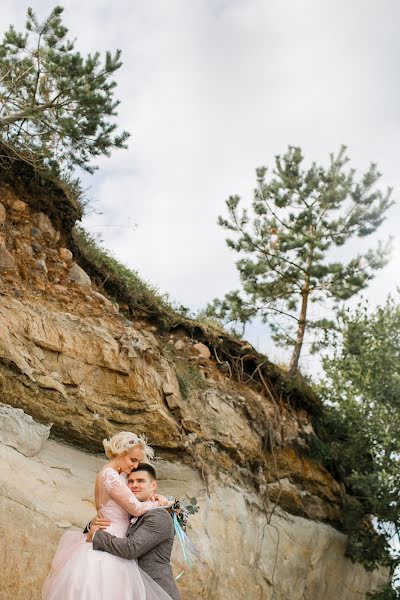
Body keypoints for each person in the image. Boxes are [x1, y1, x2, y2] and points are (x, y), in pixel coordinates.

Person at [42, 432, 174, 600]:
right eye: (133, 460)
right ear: (120, 453)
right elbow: (135, 508)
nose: (135, 466)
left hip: (108, 536)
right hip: (111, 542)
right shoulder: (110, 475)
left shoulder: (116, 475)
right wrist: (162, 503)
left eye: (139, 461)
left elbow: (126, 499)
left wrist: (155, 495)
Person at [87, 463, 181, 600]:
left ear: (153, 485)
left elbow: (132, 548)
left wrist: (96, 535)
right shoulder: (134, 513)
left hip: (156, 592)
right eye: (130, 481)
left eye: (140, 481)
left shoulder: (159, 516)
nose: (134, 485)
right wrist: (93, 524)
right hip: (134, 589)